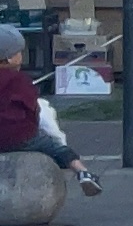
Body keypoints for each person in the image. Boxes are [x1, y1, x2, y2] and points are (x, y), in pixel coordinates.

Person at [0, 26, 102, 198]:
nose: (21, 56)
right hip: (19, 137)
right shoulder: (20, 81)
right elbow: (32, 110)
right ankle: (83, 172)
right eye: (19, 52)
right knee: (56, 147)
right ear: (9, 58)